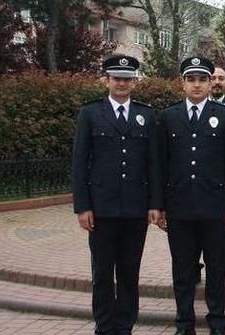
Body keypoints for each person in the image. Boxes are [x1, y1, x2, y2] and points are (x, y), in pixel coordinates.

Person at [72, 54, 161, 335]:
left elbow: (153, 164)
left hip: (135, 209)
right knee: (101, 273)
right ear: (106, 80)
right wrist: (82, 206)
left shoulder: (146, 114)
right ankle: (104, 326)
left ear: (134, 82)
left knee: (128, 272)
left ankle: (124, 326)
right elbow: (79, 162)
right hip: (101, 208)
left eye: (127, 79)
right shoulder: (90, 113)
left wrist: (155, 204)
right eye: (117, 78)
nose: (122, 83)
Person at [158, 56, 225, 335]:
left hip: (215, 209)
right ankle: (184, 323)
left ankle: (217, 323)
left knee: (217, 271)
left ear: (209, 83)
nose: (197, 85)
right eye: (191, 79)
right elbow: (161, 165)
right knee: (183, 271)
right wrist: (159, 206)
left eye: (202, 79)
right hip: (180, 208)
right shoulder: (169, 116)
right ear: (182, 83)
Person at [195, 66, 225, 285]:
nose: (216, 82)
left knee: (219, 255)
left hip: (217, 196)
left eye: (221, 78)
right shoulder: (174, 114)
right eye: (214, 78)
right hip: (188, 199)